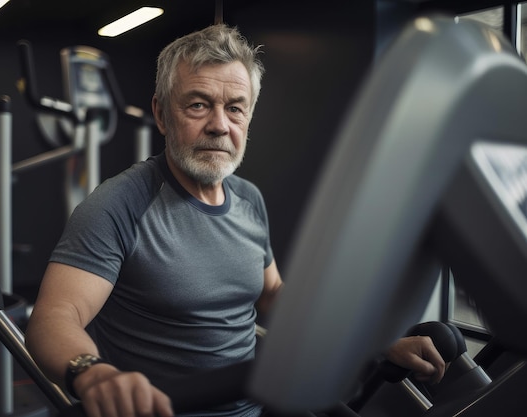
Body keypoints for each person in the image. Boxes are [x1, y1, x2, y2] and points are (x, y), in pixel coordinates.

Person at [25, 24, 447, 417]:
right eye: (198, 105)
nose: (219, 126)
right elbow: (55, 316)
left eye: (235, 108)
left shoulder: (248, 199)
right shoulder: (116, 205)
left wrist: (371, 339)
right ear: (161, 114)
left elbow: (273, 293)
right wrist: (94, 372)